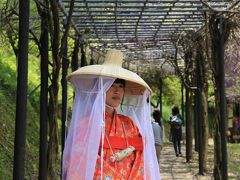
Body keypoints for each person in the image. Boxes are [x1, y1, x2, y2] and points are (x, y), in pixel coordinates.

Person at [62, 49, 161, 179]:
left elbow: (141, 156)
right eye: (111, 85)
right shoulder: (86, 124)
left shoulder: (129, 124)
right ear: (101, 88)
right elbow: (79, 160)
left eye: (121, 86)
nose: (117, 91)